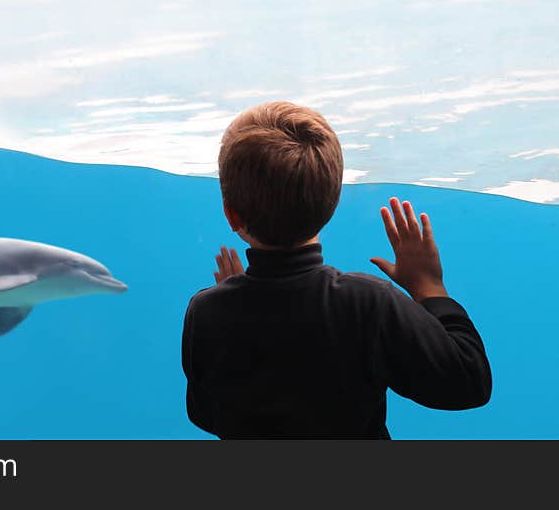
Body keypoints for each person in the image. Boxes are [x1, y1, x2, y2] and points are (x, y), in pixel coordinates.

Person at [181, 101, 492, 439]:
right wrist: (429, 287)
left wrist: (233, 310)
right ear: (331, 203)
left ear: (231, 215)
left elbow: (204, 414)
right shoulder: (367, 302)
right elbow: (468, 382)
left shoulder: (206, 311)